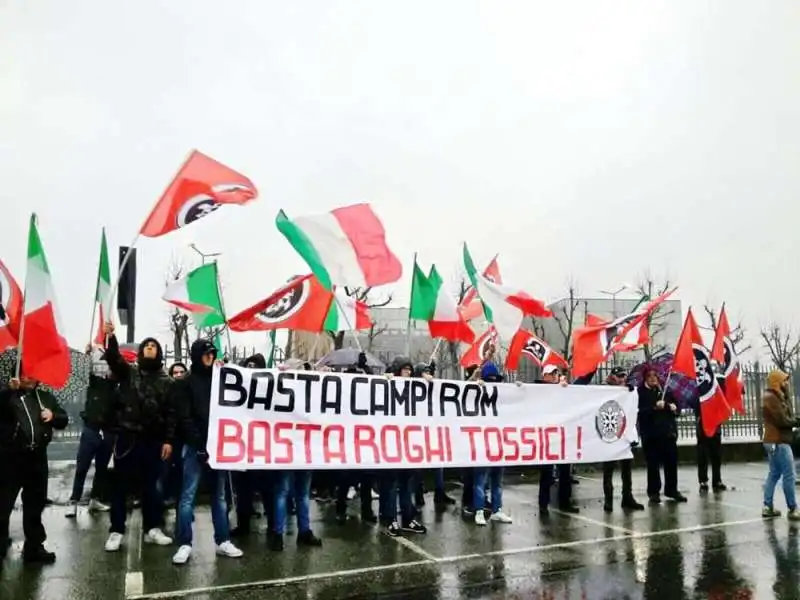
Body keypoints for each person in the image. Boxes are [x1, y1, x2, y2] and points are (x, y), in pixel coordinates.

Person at [102, 322, 176, 552]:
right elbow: (114, 358)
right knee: (120, 486)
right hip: (128, 438)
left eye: (154, 346)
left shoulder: (167, 381)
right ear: (142, 350)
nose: (151, 348)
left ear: (159, 352)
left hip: (153, 440)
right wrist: (111, 336)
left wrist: (168, 440)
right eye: (147, 345)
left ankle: (152, 529)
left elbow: (171, 414)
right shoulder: (129, 372)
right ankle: (116, 531)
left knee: (152, 487)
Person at [172, 339, 243, 564]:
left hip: (218, 447)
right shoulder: (184, 383)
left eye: (212, 354)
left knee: (219, 497)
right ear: (197, 355)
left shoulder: (219, 379)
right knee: (187, 497)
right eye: (206, 354)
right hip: (196, 448)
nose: (210, 357)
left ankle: (223, 540)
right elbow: (185, 417)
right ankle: (184, 543)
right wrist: (200, 445)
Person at [0, 373, 68, 563]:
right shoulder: (8, 395)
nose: (28, 378)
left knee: (35, 505)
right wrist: (7, 391)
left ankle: (34, 547)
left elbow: (63, 419)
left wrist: (53, 416)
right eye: (23, 374)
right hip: (10, 458)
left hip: (37, 458)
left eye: (32, 375)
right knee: (3, 504)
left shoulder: (45, 397)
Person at [576, 367, 644, 513]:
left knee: (627, 468)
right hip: (608, 434)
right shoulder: (604, 389)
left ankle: (627, 497)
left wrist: (628, 391)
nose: (622, 379)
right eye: (619, 376)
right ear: (612, 376)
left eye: (624, 376)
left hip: (623, 434)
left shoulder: (625, 391)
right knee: (609, 469)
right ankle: (608, 499)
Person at [378, 357, 426, 537]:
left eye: (410, 370)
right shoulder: (387, 386)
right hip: (389, 446)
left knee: (407, 484)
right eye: (404, 369)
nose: (408, 373)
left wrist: (428, 382)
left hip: (407, 447)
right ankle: (390, 519)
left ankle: (408, 518)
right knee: (390, 485)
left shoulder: (414, 389)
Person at [66, 345, 115, 518]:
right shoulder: (94, 381)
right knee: (82, 467)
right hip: (91, 429)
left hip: (109, 431)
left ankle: (95, 499)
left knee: (102, 468)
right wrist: (87, 355)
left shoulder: (117, 385)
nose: (106, 369)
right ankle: (74, 501)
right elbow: (84, 370)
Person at [638, 367, 687, 504]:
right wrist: (654, 407)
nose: (653, 378)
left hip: (668, 434)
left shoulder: (665, 391)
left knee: (671, 464)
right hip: (651, 435)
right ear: (645, 378)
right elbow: (640, 412)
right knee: (653, 465)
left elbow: (677, 408)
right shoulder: (640, 392)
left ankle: (671, 489)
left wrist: (673, 407)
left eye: (655, 375)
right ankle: (654, 492)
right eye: (649, 376)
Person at [472, 362, 512, 525]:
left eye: (495, 380)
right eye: (490, 380)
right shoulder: (476, 392)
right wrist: (475, 384)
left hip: (499, 444)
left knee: (497, 479)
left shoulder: (503, 394)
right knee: (480, 479)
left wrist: (519, 387)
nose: (493, 383)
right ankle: (479, 511)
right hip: (482, 444)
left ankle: (497, 510)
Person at [536, 365, 578, 515]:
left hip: (562, 437)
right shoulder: (537, 390)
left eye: (555, 373)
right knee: (546, 473)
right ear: (544, 376)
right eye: (551, 374)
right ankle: (543, 503)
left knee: (565, 472)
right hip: (547, 438)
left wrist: (565, 388)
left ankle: (565, 502)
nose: (554, 376)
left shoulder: (563, 389)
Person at [761, 369, 800, 520]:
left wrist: (787, 397)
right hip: (779, 441)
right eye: (784, 380)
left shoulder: (775, 396)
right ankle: (793, 508)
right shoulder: (772, 398)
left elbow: (786, 415)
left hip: (773, 441)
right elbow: (782, 420)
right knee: (789, 475)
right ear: (777, 382)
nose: (786, 383)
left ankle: (767, 506)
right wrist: (796, 422)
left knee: (774, 474)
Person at [696, 366, 727, 493]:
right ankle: (703, 480)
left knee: (716, 455)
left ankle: (717, 480)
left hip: (715, 425)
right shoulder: (701, 389)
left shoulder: (718, 389)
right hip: (703, 426)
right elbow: (696, 406)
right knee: (703, 455)